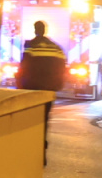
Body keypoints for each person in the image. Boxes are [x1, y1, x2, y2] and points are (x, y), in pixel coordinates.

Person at [15, 20, 68, 162]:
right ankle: (42, 152)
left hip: (32, 89)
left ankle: (31, 151)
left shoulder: (31, 46)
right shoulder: (56, 48)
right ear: (45, 30)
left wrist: (20, 85)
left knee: (31, 121)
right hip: (49, 90)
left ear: (35, 30)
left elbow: (24, 66)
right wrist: (57, 85)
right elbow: (62, 68)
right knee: (44, 120)